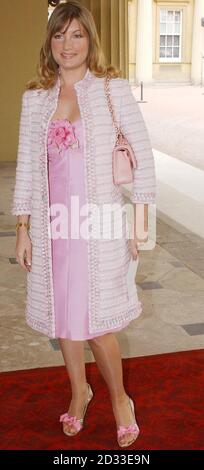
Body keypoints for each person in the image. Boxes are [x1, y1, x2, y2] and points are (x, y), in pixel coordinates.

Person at [11, 1, 156, 448]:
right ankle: (79, 393)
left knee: (97, 324)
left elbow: (144, 155)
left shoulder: (110, 89)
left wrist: (139, 221)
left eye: (76, 35)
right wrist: (22, 227)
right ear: (49, 42)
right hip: (55, 228)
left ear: (90, 39)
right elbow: (26, 168)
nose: (67, 44)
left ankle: (120, 400)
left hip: (100, 225)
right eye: (58, 35)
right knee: (64, 319)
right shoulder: (35, 98)